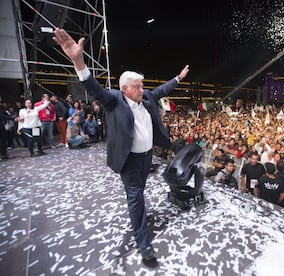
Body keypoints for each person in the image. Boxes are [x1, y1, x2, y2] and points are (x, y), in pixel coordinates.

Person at [53, 28, 189, 268]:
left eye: (142, 85)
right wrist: (78, 60)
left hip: (147, 158)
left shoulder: (145, 98)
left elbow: (161, 91)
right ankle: (144, 244)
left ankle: (140, 221)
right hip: (129, 161)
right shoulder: (113, 101)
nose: (142, 89)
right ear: (125, 88)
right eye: (137, 86)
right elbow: (93, 87)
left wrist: (177, 78)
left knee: (140, 193)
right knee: (136, 199)